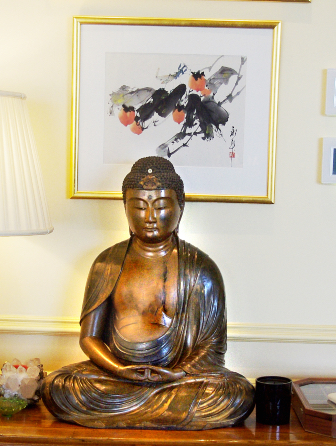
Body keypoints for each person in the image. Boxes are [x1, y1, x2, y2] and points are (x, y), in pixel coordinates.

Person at [41, 156, 255, 429]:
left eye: (161, 206)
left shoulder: (201, 269)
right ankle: (162, 411)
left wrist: (175, 373)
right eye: (139, 207)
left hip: (179, 380)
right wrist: (119, 370)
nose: (150, 217)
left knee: (236, 393)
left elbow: (213, 349)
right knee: (59, 386)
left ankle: (133, 410)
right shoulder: (106, 264)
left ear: (180, 208)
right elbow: (90, 338)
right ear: (125, 209)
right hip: (116, 377)